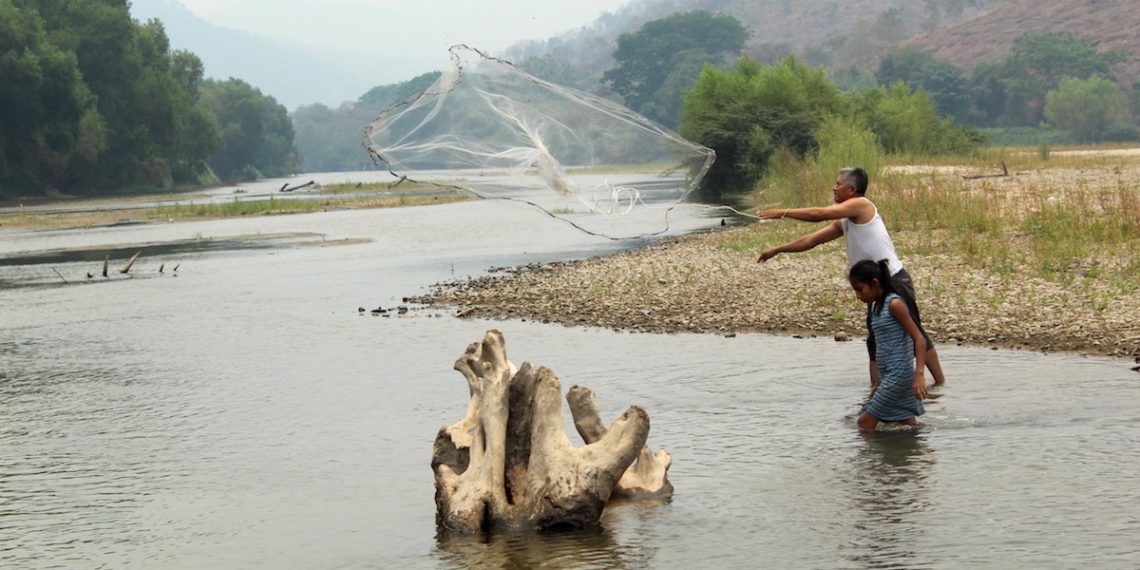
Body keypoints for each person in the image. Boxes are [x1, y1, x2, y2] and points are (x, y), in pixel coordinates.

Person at [755, 166, 946, 387]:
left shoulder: (862, 206)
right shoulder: (845, 221)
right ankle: (876, 390)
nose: (833, 188)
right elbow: (811, 240)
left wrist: (783, 212)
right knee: (874, 338)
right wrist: (778, 249)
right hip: (873, 285)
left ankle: (939, 383)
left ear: (852, 189)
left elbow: (819, 214)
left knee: (914, 332)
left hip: (894, 279)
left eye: (838, 184)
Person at [848, 259, 927, 430]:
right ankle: (913, 454)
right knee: (904, 421)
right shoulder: (877, 306)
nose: (858, 296)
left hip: (899, 374)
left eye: (860, 290)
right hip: (888, 374)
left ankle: (871, 457)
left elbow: (919, 338)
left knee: (864, 422)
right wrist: (878, 383)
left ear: (875, 283)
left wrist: (919, 374)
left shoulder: (894, 304)